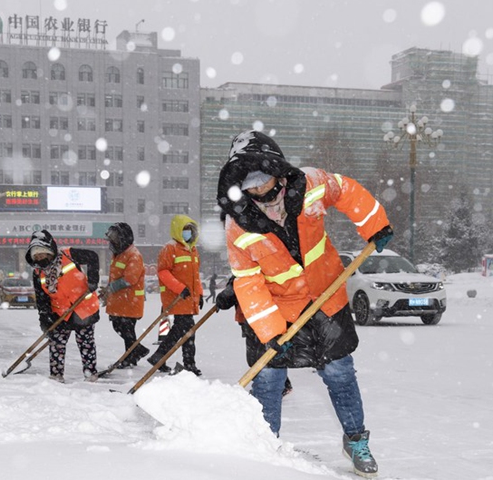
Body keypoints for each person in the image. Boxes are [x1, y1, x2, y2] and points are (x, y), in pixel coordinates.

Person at [216, 130, 393, 478]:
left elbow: (345, 190)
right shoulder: (238, 224)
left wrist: (375, 224)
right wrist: (269, 332)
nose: (261, 191)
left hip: (326, 297)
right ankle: (264, 447)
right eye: (250, 185)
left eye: (265, 180)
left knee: (340, 373)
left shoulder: (311, 183)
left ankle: (356, 440)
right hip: (276, 308)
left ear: (279, 172)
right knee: (268, 379)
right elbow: (248, 281)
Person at [25, 230, 101, 383]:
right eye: (36, 256)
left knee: (86, 343)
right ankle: (56, 375)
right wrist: (45, 319)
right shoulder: (38, 273)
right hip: (59, 313)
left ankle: (90, 374)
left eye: (42, 254)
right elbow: (42, 298)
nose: (39, 259)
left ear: (50, 251)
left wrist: (93, 279)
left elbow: (93, 257)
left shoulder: (68, 255)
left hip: (83, 308)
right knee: (56, 343)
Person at [146, 214, 204, 376]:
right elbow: (163, 272)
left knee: (185, 330)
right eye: (185, 230)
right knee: (185, 330)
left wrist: (199, 294)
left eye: (191, 230)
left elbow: (195, 276)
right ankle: (185, 362)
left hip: (188, 298)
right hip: (177, 297)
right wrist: (179, 288)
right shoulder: (170, 248)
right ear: (178, 230)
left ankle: (162, 357)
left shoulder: (193, 250)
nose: (188, 234)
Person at [98, 222, 149, 368]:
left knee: (127, 330)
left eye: (115, 238)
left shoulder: (133, 255)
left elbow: (130, 278)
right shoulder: (119, 254)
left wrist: (111, 288)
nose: (112, 242)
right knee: (121, 328)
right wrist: (108, 290)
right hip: (120, 301)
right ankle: (134, 353)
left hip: (129, 301)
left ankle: (132, 355)